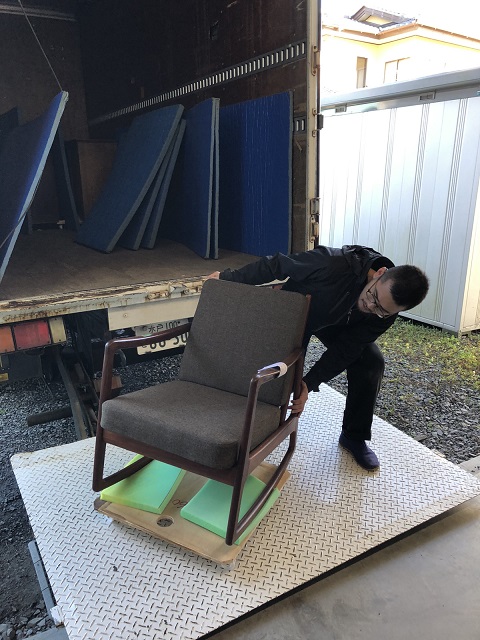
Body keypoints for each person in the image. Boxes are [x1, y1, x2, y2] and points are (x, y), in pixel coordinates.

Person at [208, 244, 429, 471]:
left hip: (338, 323)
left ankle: (353, 436)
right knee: (280, 376)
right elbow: (277, 264)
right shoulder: (333, 263)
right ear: (380, 273)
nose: (370, 306)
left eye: (381, 309)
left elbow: (347, 348)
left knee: (370, 361)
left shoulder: (385, 313)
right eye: (373, 296)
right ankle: (234, 430)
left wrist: (309, 383)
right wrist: (228, 278)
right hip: (297, 311)